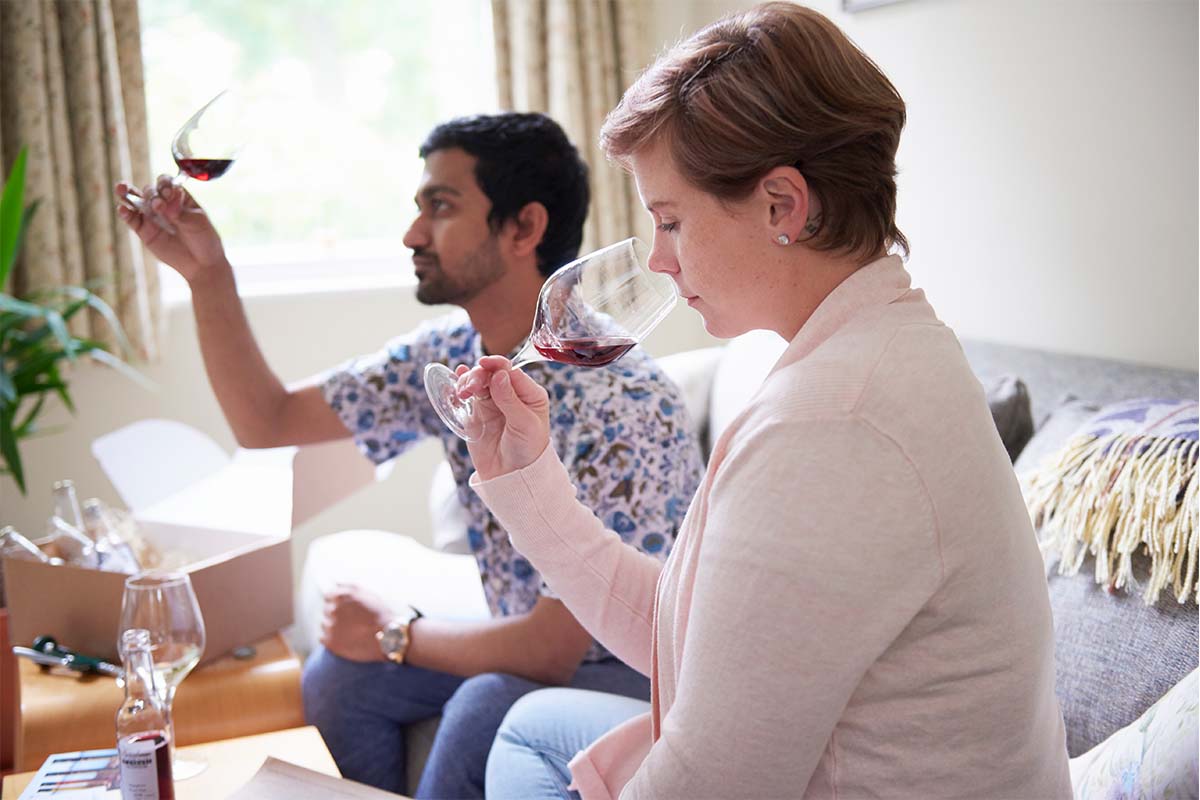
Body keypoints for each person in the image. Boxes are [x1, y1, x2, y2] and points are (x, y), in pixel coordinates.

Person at [454, 5, 1073, 799]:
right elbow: (689, 638)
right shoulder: (884, 347)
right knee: (526, 727)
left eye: (672, 221)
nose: (657, 259)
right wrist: (528, 476)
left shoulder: (836, 425)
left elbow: (710, 782)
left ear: (782, 205)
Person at [113, 112, 704, 797]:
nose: (411, 234)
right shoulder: (449, 354)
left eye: (440, 206)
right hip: (530, 636)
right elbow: (267, 419)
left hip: (630, 665)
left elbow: (553, 647)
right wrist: (207, 275)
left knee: (484, 704)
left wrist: (398, 634)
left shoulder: (619, 403)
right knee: (338, 679)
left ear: (523, 228)